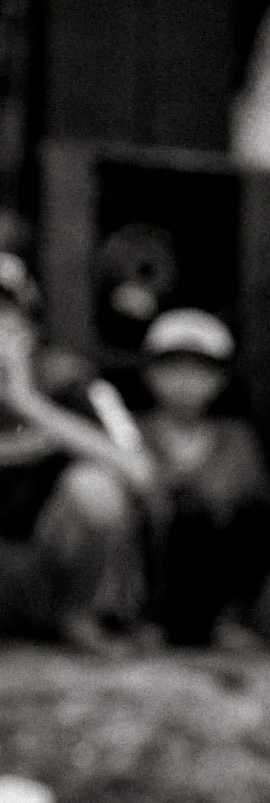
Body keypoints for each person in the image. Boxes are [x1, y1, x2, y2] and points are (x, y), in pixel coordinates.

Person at [0, 252, 153, 648]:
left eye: (3, 311)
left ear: (27, 323)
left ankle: (79, 617)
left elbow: (140, 472)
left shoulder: (70, 381)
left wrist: (29, 403)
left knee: (95, 488)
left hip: (45, 565)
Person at [137, 309, 270, 647]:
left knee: (262, 514)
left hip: (213, 573)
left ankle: (227, 621)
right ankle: (148, 623)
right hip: (154, 576)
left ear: (220, 379)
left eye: (199, 370)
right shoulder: (131, 432)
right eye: (173, 368)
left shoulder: (237, 437)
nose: (185, 382)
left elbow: (245, 502)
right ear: (150, 374)